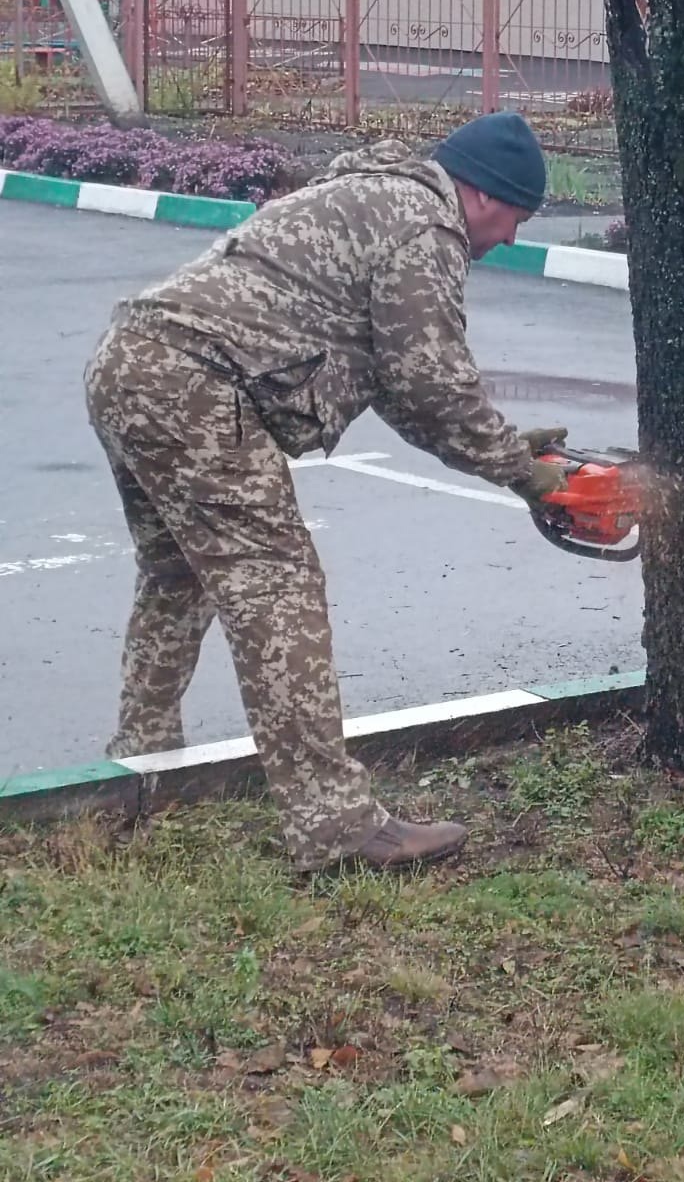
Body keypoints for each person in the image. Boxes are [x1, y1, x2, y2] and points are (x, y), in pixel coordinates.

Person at [84, 112, 568, 873]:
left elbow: (403, 392)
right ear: (481, 194)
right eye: (516, 218)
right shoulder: (425, 226)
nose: (509, 238)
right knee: (277, 586)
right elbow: (432, 382)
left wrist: (507, 447)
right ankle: (336, 828)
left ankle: (142, 773)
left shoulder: (371, 193)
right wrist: (523, 472)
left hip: (130, 360)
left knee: (178, 577)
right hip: (196, 384)